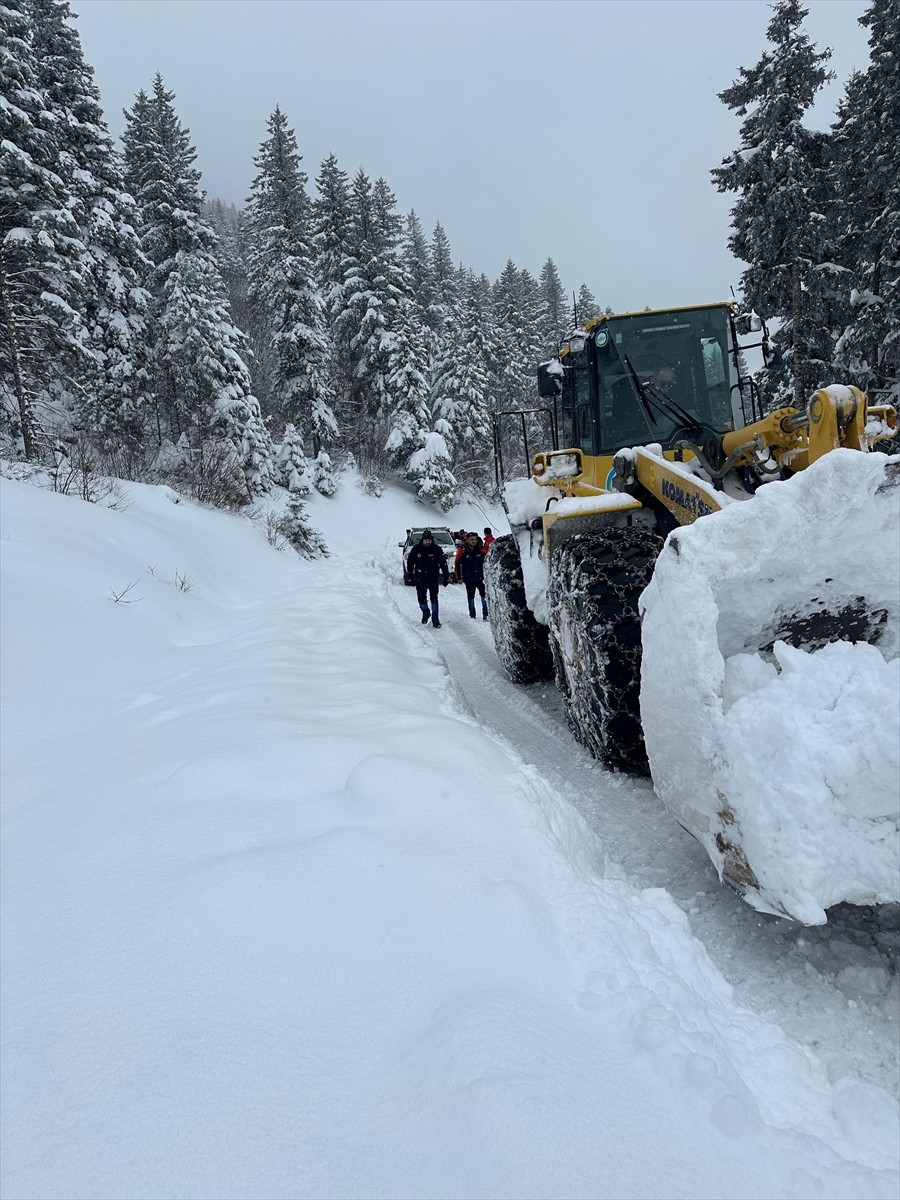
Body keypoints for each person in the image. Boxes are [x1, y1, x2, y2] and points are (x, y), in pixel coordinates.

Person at [406, 529, 449, 627]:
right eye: (425, 540)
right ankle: (425, 612)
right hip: (420, 577)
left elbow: (443, 564)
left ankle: (435, 620)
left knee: (434, 598)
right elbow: (410, 563)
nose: (427, 542)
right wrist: (410, 575)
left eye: (429, 540)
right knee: (421, 598)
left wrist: (446, 576)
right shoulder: (416, 549)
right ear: (422, 540)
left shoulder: (437, 549)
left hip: (433, 577)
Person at [457, 531, 488, 620]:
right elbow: (458, 565)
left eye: (475, 539)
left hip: (480, 577)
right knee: (471, 596)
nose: (473, 541)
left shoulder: (481, 550)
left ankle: (486, 614)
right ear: (467, 540)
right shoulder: (463, 552)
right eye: (471, 540)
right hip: (469, 578)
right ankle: (472, 614)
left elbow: (487, 562)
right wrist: (459, 577)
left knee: (484, 595)